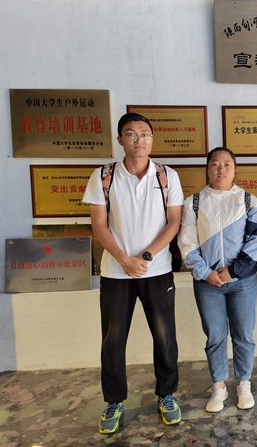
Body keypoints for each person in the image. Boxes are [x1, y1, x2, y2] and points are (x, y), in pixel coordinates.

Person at [83, 113, 184, 434]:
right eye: (131, 134)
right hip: (116, 273)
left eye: (145, 134)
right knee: (113, 340)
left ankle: (167, 395)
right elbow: (99, 225)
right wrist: (124, 260)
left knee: (165, 338)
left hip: (158, 271)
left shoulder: (166, 176)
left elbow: (174, 223)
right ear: (120, 140)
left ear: (152, 140)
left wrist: (147, 256)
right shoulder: (103, 176)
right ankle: (114, 402)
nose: (139, 140)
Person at [178, 147, 257, 412]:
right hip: (207, 284)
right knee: (215, 336)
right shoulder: (193, 203)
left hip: (242, 282)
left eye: (227, 164)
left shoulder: (248, 201)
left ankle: (244, 383)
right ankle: (219, 386)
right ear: (208, 169)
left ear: (235, 170)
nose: (221, 169)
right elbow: (187, 242)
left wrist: (233, 270)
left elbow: (256, 239)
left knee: (243, 335)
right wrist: (206, 272)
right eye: (215, 164)